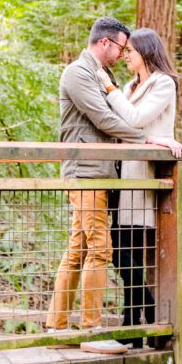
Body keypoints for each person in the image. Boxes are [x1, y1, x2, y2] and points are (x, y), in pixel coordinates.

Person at [45, 17, 149, 332]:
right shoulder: (78, 73)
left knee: (79, 247)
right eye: (120, 47)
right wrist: (145, 139)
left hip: (101, 174)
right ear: (105, 43)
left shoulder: (102, 74)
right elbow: (103, 117)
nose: (122, 54)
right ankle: (92, 327)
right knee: (101, 248)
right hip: (85, 174)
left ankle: (56, 324)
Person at [97, 28, 182, 332]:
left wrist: (110, 90)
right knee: (121, 251)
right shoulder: (134, 84)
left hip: (144, 176)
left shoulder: (163, 84)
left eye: (130, 51)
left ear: (145, 52)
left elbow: (134, 118)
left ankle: (132, 322)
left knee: (127, 249)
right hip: (122, 174)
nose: (126, 56)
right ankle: (137, 318)